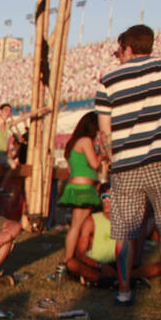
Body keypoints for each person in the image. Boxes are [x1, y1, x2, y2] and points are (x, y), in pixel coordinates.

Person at [96, 23, 161, 308]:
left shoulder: (108, 79)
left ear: (127, 47)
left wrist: (112, 159)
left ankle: (124, 291)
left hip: (125, 166)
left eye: (119, 50)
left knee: (124, 232)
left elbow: (105, 132)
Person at [65, 185, 161, 288]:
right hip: (97, 264)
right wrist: (100, 265)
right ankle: (112, 280)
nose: (107, 201)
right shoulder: (91, 221)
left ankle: (112, 280)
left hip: (119, 265)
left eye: (111, 197)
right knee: (71, 263)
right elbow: (80, 254)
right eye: (104, 197)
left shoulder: (126, 221)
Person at [56, 112, 106, 267]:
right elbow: (94, 164)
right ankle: (69, 259)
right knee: (79, 225)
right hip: (84, 187)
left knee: (77, 224)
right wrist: (103, 155)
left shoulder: (73, 143)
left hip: (74, 184)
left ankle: (73, 257)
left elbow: (72, 168)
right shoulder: (85, 141)